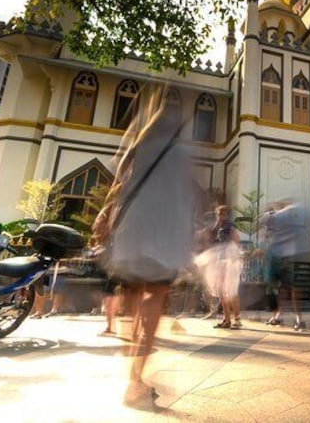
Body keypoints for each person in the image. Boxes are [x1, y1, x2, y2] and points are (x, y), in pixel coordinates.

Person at [94, 83, 198, 409]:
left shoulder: (136, 144)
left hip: (131, 231)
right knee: (153, 300)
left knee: (135, 299)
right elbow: (190, 193)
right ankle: (135, 378)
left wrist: (102, 216)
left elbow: (117, 184)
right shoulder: (179, 151)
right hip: (161, 232)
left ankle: (133, 374)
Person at [257, 199, 310, 331]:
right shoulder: (287, 220)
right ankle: (281, 317)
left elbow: (264, 221)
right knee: (285, 289)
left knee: (285, 288)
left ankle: (295, 319)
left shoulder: (277, 217)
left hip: (281, 258)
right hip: (285, 257)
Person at [194, 205, 243, 329]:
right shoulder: (215, 227)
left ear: (227, 214)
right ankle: (226, 319)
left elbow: (236, 240)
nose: (221, 216)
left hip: (229, 261)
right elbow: (209, 241)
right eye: (219, 213)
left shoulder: (230, 226)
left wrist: (233, 256)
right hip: (219, 260)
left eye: (223, 213)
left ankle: (237, 319)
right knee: (222, 291)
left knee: (231, 290)